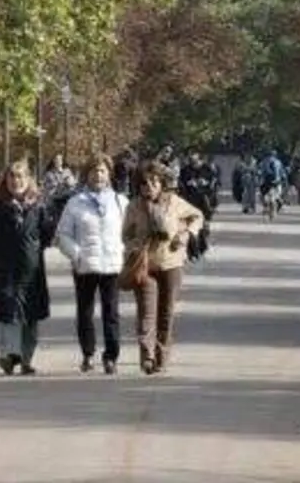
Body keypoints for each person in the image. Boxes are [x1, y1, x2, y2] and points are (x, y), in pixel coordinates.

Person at [123, 161, 205, 374]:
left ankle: (161, 355)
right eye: (143, 183)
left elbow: (197, 216)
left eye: (153, 182)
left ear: (161, 183)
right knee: (146, 313)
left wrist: (186, 234)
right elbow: (125, 234)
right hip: (145, 266)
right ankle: (147, 355)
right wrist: (134, 247)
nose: (148, 187)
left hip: (171, 264)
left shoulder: (174, 203)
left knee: (166, 313)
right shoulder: (134, 206)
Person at [56, 155, 129, 374]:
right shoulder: (75, 203)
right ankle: (88, 353)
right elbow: (63, 235)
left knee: (111, 313)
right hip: (85, 265)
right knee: (85, 312)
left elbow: (130, 233)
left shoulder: (120, 202)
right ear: (87, 175)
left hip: (112, 265)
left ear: (109, 175)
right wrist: (76, 254)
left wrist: (124, 253)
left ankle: (111, 356)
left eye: (103, 171)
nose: (98, 175)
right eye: (94, 171)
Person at [0, 161, 50, 376]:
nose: (15, 181)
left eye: (20, 176)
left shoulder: (39, 206)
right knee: (7, 312)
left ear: (28, 179)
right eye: (11, 177)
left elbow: (46, 234)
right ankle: (9, 354)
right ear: (5, 180)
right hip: (6, 268)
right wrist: (1, 254)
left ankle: (27, 358)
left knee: (31, 315)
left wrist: (32, 250)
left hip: (32, 269)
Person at [178, 149, 219, 261]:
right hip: (190, 201)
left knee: (202, 227)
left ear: (199, 156)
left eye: (193, 154)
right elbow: (181, 186)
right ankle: (192, 252)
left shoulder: (207, 169)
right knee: (190, 227)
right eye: (189, 155)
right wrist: (188, 185)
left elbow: (214, 185)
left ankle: (202, 247)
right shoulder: (185, 170)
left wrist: (205, 183)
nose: (191, 156)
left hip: (204, 201)